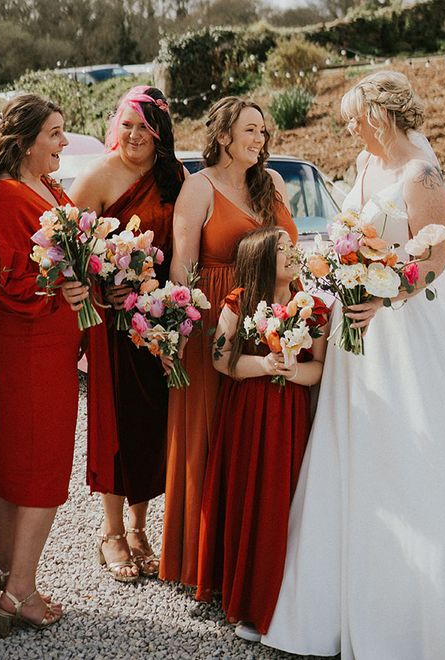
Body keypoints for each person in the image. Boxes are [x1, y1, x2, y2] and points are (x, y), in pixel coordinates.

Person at [258, 70, 445, 659]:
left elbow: (436, 256)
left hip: (403, 328)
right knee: (351, 447)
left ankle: (419, 612)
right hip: (355, 330)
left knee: (409, 451)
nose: (349, 127)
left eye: (354, 118)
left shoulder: (420, 174)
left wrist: (387, 295)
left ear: (380, 115)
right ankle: (333, 601)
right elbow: (349, 234)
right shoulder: (366, 164)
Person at [160, 96, 298, 587]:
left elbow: (291, 250)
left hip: (275, 320)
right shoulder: (199, 188)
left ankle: (257, 559)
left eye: (263, 131)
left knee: (260, 436)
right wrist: (177, 332)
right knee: (207, 432)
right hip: (213, 319)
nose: (260, 139)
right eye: (249, 130)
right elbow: (182, 269)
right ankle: (204, 561)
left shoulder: (273, 183)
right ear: (223, 136)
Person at [0, 94, 89, 635]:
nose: (63, 142)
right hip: (30, 341)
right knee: (43, 460)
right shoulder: (5, 195)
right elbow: (7, 277)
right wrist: (58, 289)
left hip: (51, 339)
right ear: (25, 142)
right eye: (54, 133)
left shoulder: (47, 186)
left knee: (18, 454)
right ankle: (20, 591)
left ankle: (3, 570)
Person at [70, 85, 186, 582]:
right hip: (112, 324)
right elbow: (67, 251)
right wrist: (101, 289)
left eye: (145, 127)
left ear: (160, 132)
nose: (134, 135)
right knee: (115, 423)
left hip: (157, 318)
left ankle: (139, 528)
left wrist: (175, 309)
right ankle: (111, 532)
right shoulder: (98, 175)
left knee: (151, 422)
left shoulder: (174, 176)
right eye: (128, 125)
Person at [196, 226, 329, 634]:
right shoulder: (239, 302)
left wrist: (292, 372)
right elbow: (221, 359)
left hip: (288, 414)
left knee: (277, 497)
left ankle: (268, 596)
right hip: (246, 412)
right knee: (243, 491)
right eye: (282, 248)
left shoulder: (314, 308)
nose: (292, 252)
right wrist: (264, 365)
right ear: (261, 259)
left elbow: (318, 368)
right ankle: (234, 587)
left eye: (292, 246)